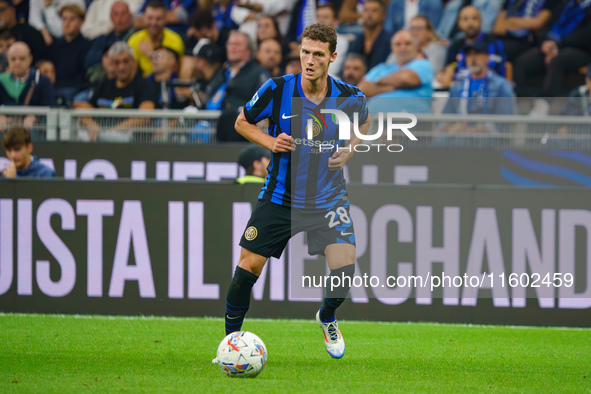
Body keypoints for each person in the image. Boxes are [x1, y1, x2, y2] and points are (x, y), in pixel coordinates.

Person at [219, 23, 371, 360]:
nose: (310, 60)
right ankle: (230, 343)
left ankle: (327, 317)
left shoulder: (350, 96)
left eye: (318, 54)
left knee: (345, 271)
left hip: (328, 199)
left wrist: (350, 148)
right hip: (280, 197)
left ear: (332, 57)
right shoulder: (277, 89)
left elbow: (364, 122)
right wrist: (270, 141)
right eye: (305, 52)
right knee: (247, 269)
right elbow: (242, 121)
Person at [74, 41, 158, 142]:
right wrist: (94, 128)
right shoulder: (103, 85)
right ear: (112, 64)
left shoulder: (144, 86)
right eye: (117, 62)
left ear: (133, 62)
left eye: (125, 61)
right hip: (99, 138)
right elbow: (83, 107)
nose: (121, 67)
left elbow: (145, 115)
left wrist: (112, 133)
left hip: (130, 141)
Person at [358, 30, 433, 113]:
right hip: (376, 121)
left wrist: (378, 81)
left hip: (412, 121)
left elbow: (405, 78)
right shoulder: (381, 68)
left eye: (407, 43)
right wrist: (392, 86)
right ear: (392, 48)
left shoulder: (423, 64)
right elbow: (362, 90)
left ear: (416, 47)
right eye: (398, 44)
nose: (402, 47)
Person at [436, 5, 507, 89]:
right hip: (460, 90)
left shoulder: (493, 42)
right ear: (458, 23)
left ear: (481, 21)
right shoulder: (455, 45)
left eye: (474, 18)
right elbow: (450, 66)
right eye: (465, 19)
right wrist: (446, 74)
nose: (470, 23)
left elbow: (504, 68)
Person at [127, 1, 184, 77]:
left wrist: (151, 54)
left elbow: (173, 71)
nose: (153, 23)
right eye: (150, 18)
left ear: (165, 19)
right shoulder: (135, 39)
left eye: (158, 19)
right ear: (144, 17)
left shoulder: (175, 40)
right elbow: (130, 72)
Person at [48, 3, 89, 104]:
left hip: (77, 90)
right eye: (64, 19)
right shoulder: (53, 45)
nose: (67, 23)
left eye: (72, 19)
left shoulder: (88, 46)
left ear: (81, 21)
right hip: (54, 88)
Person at [492, 0, 558, 63]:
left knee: (496, 49)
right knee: (486, 45)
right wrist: (521, 23)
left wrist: (511, 21)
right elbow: (498, 28)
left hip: (526, 41)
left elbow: (537, 24)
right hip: (504, 37)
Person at [84, 1, 137, 69]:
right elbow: (89, 61)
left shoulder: (135, 37)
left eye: (123, 14)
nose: (119, 19)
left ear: (130, 17)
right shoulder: (102, 39)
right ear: (111, 17)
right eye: (116, 14)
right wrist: (103, 58)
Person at [347, 0, 393, 70]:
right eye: (366, 10)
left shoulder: (390, 41)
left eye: (374, 10)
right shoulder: (356, 40)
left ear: (384, 15)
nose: (369, 14)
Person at [316, 3, 348, 78]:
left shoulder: (341, 41)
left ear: (335, 21)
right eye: (318, 17)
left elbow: (332, 69)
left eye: (326, 17)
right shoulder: (308, 40)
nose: (321, 21)